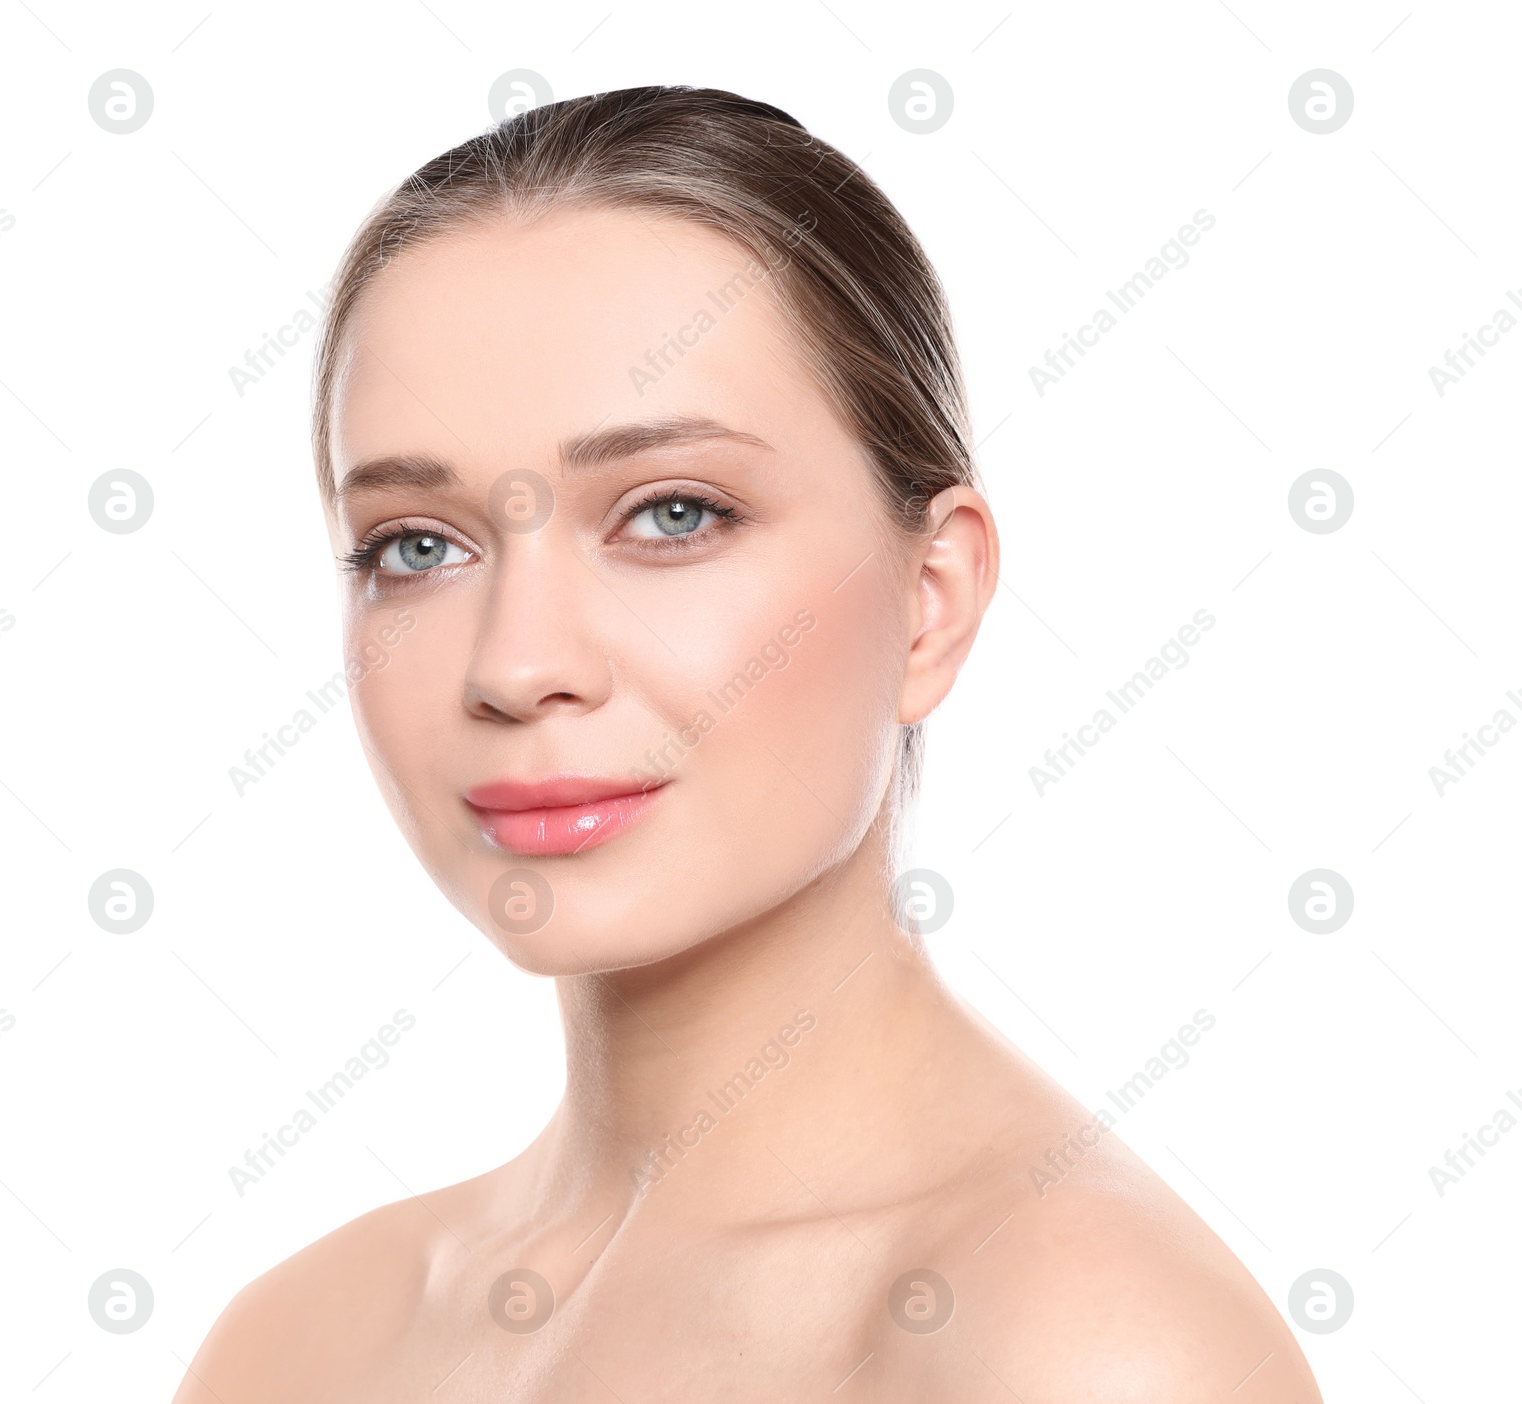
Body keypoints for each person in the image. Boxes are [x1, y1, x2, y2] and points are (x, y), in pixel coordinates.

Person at [173, 85, 1322, 1402]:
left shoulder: (1078, 1345)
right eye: (418, 546)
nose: (518, 664)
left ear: (931, 599)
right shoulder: (299, 1344)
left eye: (672, 514)